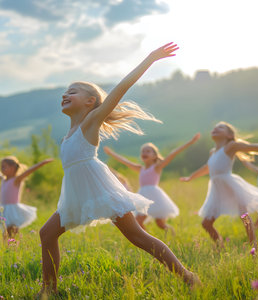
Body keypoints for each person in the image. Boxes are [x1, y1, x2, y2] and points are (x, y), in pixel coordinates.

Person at [38, 42, 199, 295]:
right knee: (47, 234)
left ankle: (187, 276)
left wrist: (150, 59)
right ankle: (49, 291)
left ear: (90, 102)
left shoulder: (91, 121)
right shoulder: (67, 136)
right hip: (76, 193)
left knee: (137, 237)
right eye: (64, 93)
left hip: (99, 188)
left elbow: (121, 88)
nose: (64, 95)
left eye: (72, 92)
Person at [180, 122, 258, 248]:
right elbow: (208, 167)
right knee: (206, 223)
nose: (215, 128)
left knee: (244, 217)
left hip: (231, 185)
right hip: (217, 190)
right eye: (214, 127)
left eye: (221, 127)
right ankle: (220, 246)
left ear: (229, 135)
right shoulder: (213, 152)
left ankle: (253, 248)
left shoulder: (231, 146)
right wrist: (191, 177)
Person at [104, 133, 200, 232]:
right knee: (138, 221)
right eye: (143, 151)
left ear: (154, 156)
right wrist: (111, 153)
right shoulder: (140, 168)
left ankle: (171, 233)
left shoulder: (157, 167)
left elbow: (173, 154)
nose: (144, 152)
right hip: (143, 196)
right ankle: (148, 240)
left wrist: (191, 142)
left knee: (160, 224)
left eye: (148, 151)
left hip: (155, 197)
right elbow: (125, 161)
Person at [0, 156, 53, 239]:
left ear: (12, 168)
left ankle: (15, 246)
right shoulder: (3, 179)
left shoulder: (16, 180)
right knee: (4, 231)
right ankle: (6, 248)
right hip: (4, 209)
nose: (2, 169)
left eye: (4, 167)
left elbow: (29, 171)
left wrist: (42, 163)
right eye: (1, 167)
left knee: (13, 230)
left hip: (13, 209)